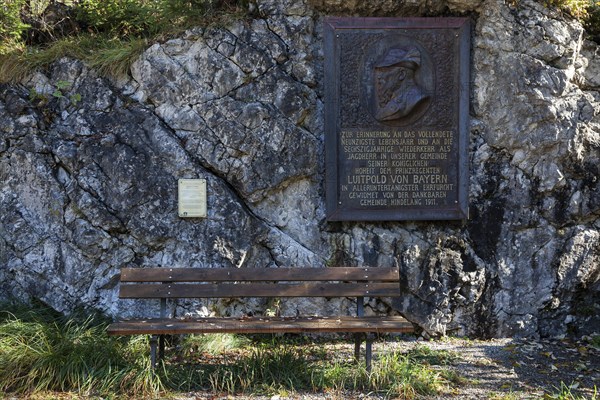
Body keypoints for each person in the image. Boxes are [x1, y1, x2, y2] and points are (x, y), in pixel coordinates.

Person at [374, 46, 429, 122]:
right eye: (380, 71)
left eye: (384, 70)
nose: (379, 76)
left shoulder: (416, 98)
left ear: (401, 75)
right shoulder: (394, 98)